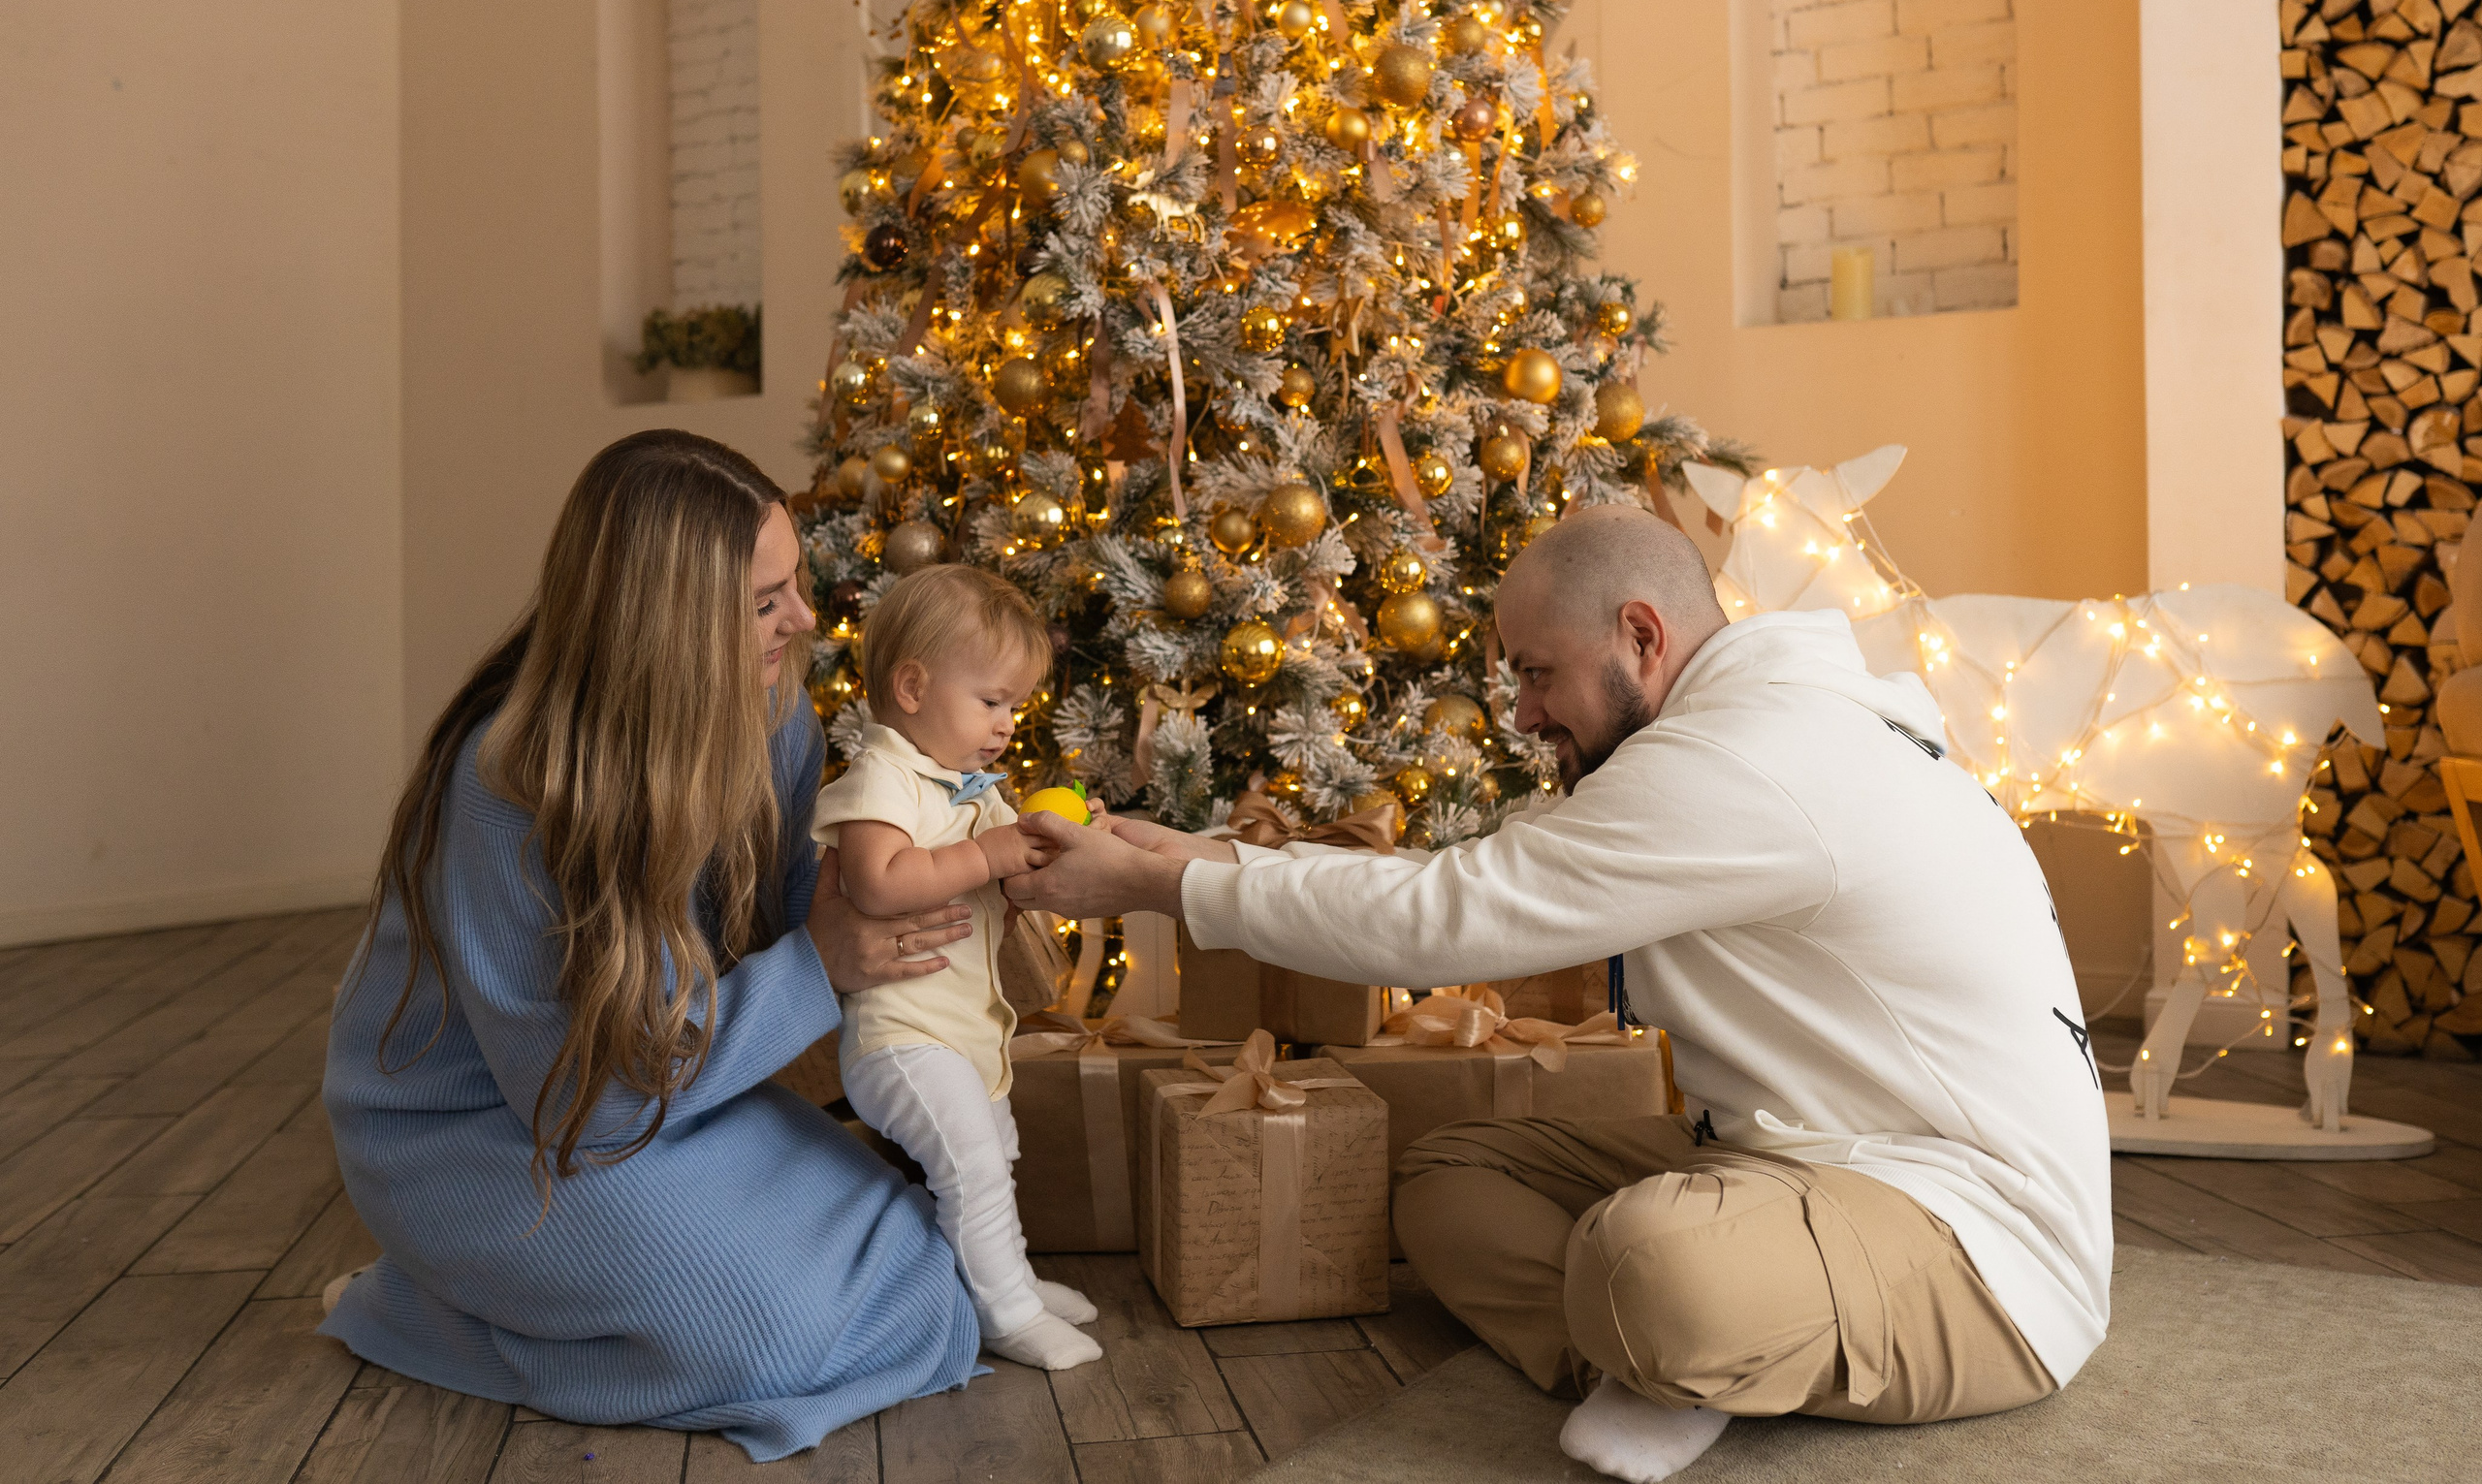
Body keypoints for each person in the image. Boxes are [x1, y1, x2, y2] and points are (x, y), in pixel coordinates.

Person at [1002, 504, 2111, 1483]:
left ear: (1641, 633)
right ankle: (1666, 1364)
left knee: (1647, 1265)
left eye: (1536, 672)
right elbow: (1451, 878)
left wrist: (1160, 888)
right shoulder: (1719, 742)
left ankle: (1678, 1343)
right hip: (1784, 1160)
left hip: (1974, 1240)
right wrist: (1180, 852)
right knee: (1448, 1178)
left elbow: (1446, 921)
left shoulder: (1754, 761)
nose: (1523, 714)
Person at [322, 430, 985, 1464]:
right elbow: (583, 1099)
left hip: (664, 1085)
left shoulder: (772, 705)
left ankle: (550, 1298)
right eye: (766, 602)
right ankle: (424, 1304)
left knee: (919, 1250)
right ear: (668, 623)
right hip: (503, 1129)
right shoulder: (512, 787)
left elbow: (803, 898)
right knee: (774, 1335)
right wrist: (818, 964)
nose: (806, 619)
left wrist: (928, 867)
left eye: (796, 581)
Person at [811, 564, 1104, 1371]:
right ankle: (1004, 1311)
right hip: (901, 1037)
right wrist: (986, 849)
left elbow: (1013, 869)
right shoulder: (885, 778)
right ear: (912, 685)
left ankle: (1008, 1277)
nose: (1008, 722)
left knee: (996, 1154)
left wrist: (1066, 834)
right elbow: (877, 880)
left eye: (1015, 704)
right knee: (971, 1161)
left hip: (965, 1033)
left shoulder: (969, 789)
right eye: (991, 700)